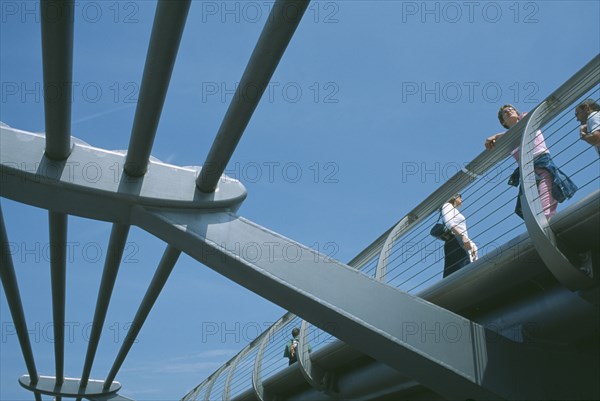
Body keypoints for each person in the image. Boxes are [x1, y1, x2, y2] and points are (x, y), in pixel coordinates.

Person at [484, 104, 577, 220]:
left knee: (546, 194)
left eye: (511, 109)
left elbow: (523, 126)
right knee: (527, 204)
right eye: (504, 112)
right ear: (503, 122)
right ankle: (543, 222)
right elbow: (494, 147)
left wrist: (496, 135)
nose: (508, 111)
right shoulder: (507, 140)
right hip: (525, 170)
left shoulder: (526, 118)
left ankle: (546, 222)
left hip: (541, 161)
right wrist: (494, 141)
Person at [441, 194, 477, 278]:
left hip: (460, 242)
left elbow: (463, 232)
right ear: (454, 196)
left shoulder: (455, 210)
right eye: (460, 196)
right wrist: (462, 237)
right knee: (459, 273)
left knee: (462, 272)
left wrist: (473, 246)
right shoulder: (447, 206)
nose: (461, 198)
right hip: (455, 241)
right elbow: (450, 223)